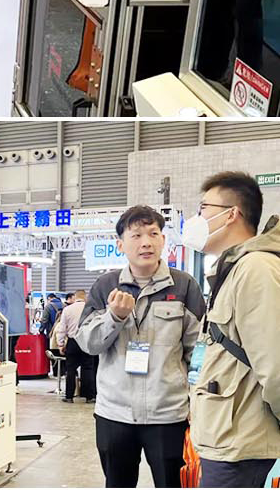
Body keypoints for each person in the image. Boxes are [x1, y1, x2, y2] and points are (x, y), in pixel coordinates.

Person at [75, 205, 206, 489]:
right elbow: (88, 343)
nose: (146, 242)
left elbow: (197, 353)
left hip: (168, 414)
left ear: (163, 240)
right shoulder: (105, 286)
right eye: (136, 235)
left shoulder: (184, 286)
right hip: (115, 413)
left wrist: (196, 402)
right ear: (121, 244)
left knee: (173, 484)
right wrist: (114, 317)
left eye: (153, 234)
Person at [185, 171, 280, 489]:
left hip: (242, 447)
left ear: (231, 214)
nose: (197, 218)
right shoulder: (233, 269)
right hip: (227, 438)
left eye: (203, 208)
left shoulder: (256, 269)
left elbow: (275, 365)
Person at [57, 289, 97, 403]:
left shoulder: (68, 309)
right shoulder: (91, 309)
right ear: (85, 297)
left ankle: (69, 396)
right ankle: (90, 397)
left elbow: (62, 328)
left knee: (70, 369)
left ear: (75, 297)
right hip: (87, 341)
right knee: (88, 369)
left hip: (72, 341)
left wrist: (60, 344)